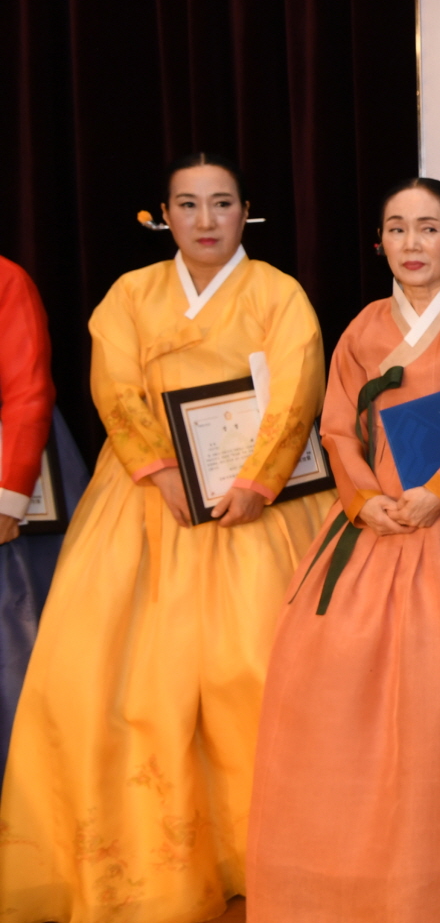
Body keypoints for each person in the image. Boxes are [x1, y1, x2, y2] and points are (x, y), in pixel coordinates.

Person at [0, 154, 335, 923]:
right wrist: (158, 469)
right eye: (188, 204)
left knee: (255, 671)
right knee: (112, 684)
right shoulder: (131, 294)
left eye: (221, 203)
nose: (205, 220)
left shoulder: (278, 293)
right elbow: (115, 386)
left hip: (257, 505)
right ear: (164, 216)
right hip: (145, 504)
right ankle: (150, 864)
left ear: (246, 212)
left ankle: (272, 854)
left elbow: (297, 388)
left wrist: (256, 479)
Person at [246, 178, 440, 922]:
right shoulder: (364, 328)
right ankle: (352, 878)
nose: (412, 243)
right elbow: (337, 426)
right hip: (375, 526)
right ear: (380, 242)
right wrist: (362, 497)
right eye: (397, 228)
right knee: (334, 690)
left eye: (429, 228)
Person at [0, 254, 89, 766]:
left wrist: (8, 496)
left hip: (16, 477)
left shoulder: (6, 279)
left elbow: (27, 392)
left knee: (18, 644)